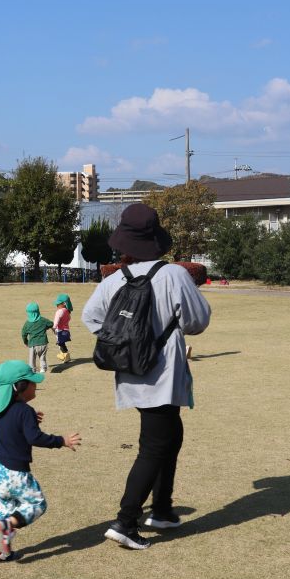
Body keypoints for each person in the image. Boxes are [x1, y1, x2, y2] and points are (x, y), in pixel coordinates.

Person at [82, 203, 211, 550]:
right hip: (163, 371)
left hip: (131, 370)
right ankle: (125, 522)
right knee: (154, 446)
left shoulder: (113, 280)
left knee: (170, 435)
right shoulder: (174, 275)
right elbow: (198, 321)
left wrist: (125, 339)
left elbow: (91, 318)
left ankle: (163, 509)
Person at [0, 360, 81, 564]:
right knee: (37, 504)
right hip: (15, 473)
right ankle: (8, 526)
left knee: (5, 509)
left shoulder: (5, 409)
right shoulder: (25, 411)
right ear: (20, 387)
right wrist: (61, 441)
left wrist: (30, 421)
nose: (36, 385)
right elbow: (35, 438)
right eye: (32, 382)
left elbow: (14, 428)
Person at [21, 302, 54, 373]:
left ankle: (32, 370)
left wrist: (26, 342)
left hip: (33, 344)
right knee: (42, 357)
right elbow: (51, 324)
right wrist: (47, 327)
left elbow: (23, 334)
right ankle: (43, 369)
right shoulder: (43, 320)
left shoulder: (27, 323)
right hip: (43, 343)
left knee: (32, 359)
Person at [52, 294, 73, 363]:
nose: (57, 306)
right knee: (62, 344)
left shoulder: (59, 312)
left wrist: (53, 328)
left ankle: (65, 356)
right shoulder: (67, 311)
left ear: (64, 303)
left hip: (60, 331)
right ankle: (67, 357)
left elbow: (56, 321)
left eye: (58, 304)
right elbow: (68, 319)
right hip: (66, 331)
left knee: (61, 344)